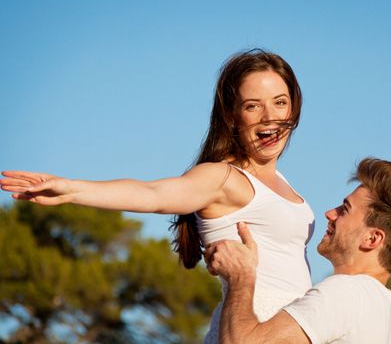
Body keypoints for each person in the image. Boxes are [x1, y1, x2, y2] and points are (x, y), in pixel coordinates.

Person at [0, 49, 315, 343]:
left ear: (294, 107)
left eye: (279, 102)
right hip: (248, 328)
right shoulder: (223, 177)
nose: (268, 116)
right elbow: (153, 194)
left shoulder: (282, 183)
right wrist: (72, 189)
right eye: (252, 106)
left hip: (284, 330)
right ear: (232, 115)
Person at [207, 157, 391, 344]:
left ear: (372, 238)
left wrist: (241, 276)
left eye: (345, 209)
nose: (330, 213)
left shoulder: (346, 293)